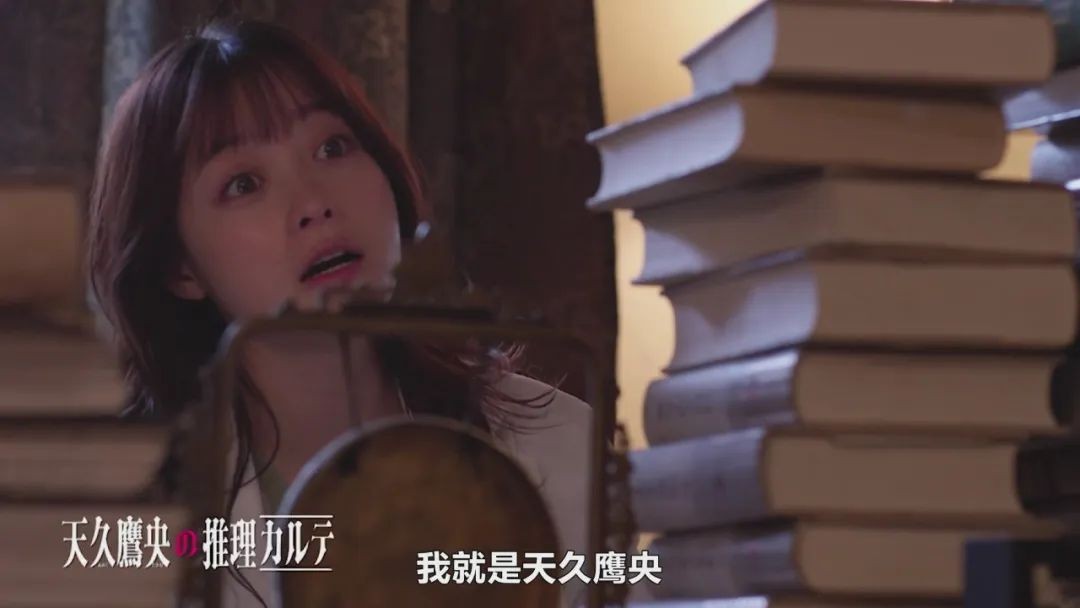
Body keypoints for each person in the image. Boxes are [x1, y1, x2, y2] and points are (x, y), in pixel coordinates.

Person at [87, 16, 592, 608]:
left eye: (332, 147)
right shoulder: (123, 509)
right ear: (181, 268)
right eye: (244, 183)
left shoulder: (563, 444)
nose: (314, 203)